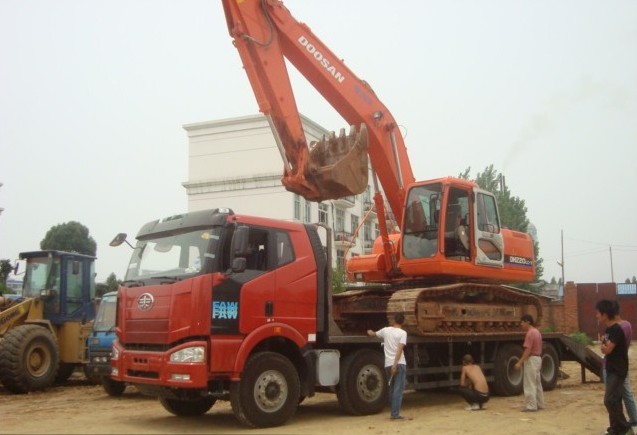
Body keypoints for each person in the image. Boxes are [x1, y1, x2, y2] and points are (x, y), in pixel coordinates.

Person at [597, 299, 633, 435]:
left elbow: (607, 349)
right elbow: (603, 347)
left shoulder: (617, 329)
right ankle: (615, 428)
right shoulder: (609, 329)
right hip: (610, 367)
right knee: (615, 399)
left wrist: (604, 346)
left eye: (598, 313)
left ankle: (624, 426)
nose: (597, 315)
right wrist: (604, 346)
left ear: (605, 314)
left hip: (618, 369)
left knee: (609, 399)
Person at [367, 313, 407, 420]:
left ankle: (392, 411)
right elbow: (399, 349)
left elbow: (373, 334)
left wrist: (369, 331)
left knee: (392, 389)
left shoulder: (386, 330)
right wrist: (395, 364)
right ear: (403, 322)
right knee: (398, 390)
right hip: (399, 364)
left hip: (387, 364)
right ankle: (395, 414)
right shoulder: (403, 333)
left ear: (394, 321)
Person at [514, 314, 545, 412]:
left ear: (527, 322)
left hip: (531, 360)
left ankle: (531, 406)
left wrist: (520, 362)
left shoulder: (530, 333)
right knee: (537, 383)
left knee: (529, 383)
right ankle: (540, 404)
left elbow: (528, 350)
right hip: (538, 359)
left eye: (522, 322)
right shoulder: (537, 332)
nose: (521, 324)